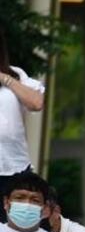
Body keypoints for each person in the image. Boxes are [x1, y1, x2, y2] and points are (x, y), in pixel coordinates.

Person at [0, 30, 45, 205]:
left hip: (14, 166)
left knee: (16, 227)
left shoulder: (16, 75)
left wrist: (5, 79)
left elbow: (36, 103)